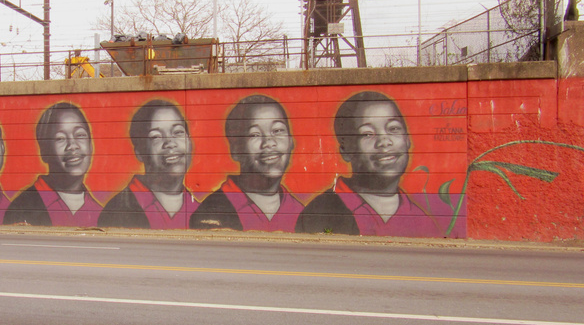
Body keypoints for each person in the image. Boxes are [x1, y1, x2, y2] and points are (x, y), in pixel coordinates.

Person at [295, 91, 460, 237]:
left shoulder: (422, 219)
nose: (384, 141)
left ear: (408, 139)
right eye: (367, 134)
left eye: (393, 129)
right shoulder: (321, 213)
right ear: (346, 151)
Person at [190, 95, 303, 232]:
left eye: (277, 130)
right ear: (236, 150)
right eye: (254, 134)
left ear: (291, 142)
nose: (269, 143)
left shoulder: (302, 211)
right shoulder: (212, 213)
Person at [98, 99, 197, 229]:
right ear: (140, 152)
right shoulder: (118, 210)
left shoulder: (202, 210)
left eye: (178, 132)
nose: (170, 143)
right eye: (156, 136)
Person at [4, 102, 102, 226]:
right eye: (60, 138)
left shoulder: (100, 211)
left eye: (80, 135)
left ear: (91, 145)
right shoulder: (22, 208)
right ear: (44, 151)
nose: (72, 146)